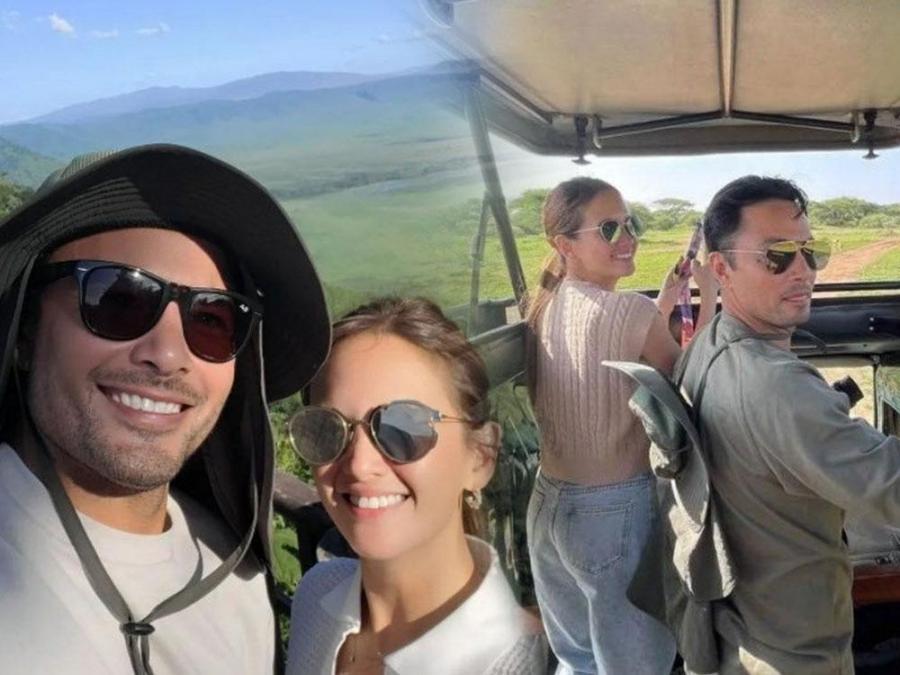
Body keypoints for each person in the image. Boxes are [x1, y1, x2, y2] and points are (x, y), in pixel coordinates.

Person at [0, 144, 331, 675]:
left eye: (213, 320)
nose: (169, 354)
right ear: (24, 332)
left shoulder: (238, 580)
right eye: (118, 299)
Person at [675, 175, 900, 673]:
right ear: (721, 268)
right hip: (795, 651)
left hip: (741, 629)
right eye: (776, 256)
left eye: (810, 252)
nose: (803, 271)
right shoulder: (776, 385)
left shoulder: (708, 346)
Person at [285, 297, 548, 675]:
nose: (359, 464)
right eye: (326, 429)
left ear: (480, 456)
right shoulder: (318, 596)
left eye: (403, 427)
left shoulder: (513, 665)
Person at [524, 177, 718, 674]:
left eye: (630, 224)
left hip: (548, 505)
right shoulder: (630, 310)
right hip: (613, 514)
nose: (628, 238)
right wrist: (709, 297)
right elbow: (695, 378)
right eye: (608, 229)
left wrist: (666, 301)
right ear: (565, 245)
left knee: (577, 661)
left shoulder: (544, 304)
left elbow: (609, 347)